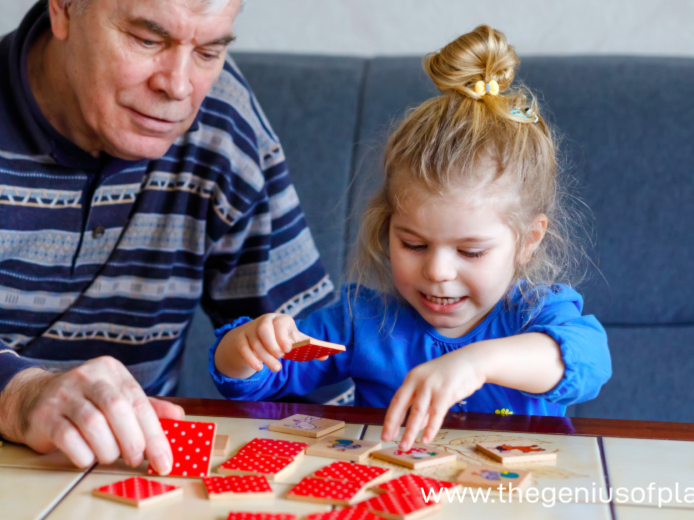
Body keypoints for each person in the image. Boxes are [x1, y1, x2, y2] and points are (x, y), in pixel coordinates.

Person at [0, 0, 333, 475]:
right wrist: (19, 395)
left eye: (209, 51)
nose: (177, 85)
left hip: (115, 472)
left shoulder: (223, 123)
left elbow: (315, 351)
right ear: (63, 10)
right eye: (148, 40)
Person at [210, 26, 612, 450]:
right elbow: (249, 385)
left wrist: (477, 363)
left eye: (470, 251)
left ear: (528, 240)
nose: (437, 271)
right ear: (387, 228)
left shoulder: (536, 314)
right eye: (414, 244)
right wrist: (247, 345)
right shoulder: (360, 321)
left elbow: (589, 360)